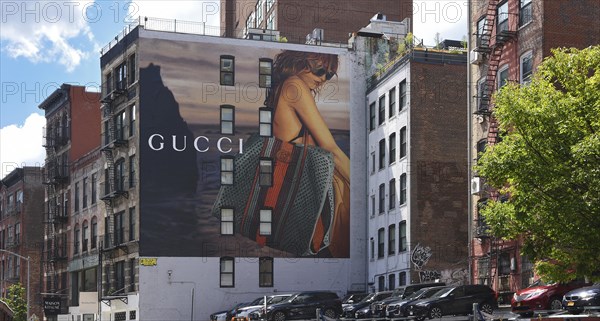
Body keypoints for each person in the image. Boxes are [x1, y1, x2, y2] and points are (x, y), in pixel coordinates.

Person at [266, 50, 350, 257]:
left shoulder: (281, 89)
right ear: (298, 63)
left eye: (329, 75)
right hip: (310, 192)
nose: (322, 79)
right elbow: (329, 147)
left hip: (297, 192)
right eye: (319, 70)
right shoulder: (295, 86)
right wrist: (363, 187)